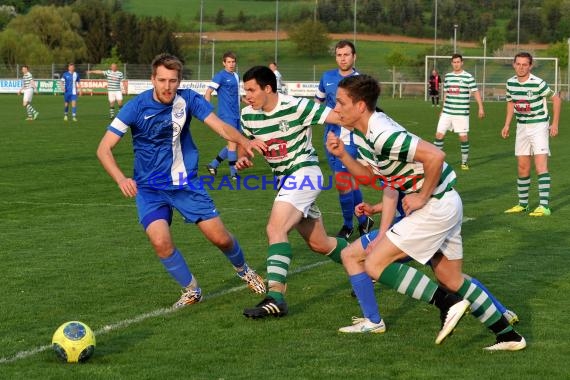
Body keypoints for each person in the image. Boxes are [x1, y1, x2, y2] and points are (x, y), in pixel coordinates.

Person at [326, 74, 526, 351]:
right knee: (451, 278)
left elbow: (436, 156)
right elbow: (373, 179)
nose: (336, 108)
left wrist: (421, 196)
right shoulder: (369, 135)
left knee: (373, 263)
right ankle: (508, 336)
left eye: (340, 102)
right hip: (446, 203)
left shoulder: (382, 134)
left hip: (435, 207)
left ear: (360, 106)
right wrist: (344, 156)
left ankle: (448, 303)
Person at [96, 53, 266, 309]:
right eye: (162, 80)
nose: (167, 86)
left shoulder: (188, 100)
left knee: (221, 239)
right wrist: (121, 178)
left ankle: (244, 270)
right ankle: (192, 290)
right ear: (152, 79)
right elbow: (104, 149)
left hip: (186, 184)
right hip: (150, 189)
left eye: (173, 80)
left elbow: (219, 127)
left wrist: (244, 141)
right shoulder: (135, 107)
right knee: (161, 242)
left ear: (179, 81)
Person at [237, 65, 350, 319]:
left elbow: (339, 117)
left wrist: (367, 130)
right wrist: (243, 157)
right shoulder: (248, 116)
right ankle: (366, 264)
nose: (247, 96)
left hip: (305, 173)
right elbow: (244, 145)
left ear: (268, 88)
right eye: (245, 91)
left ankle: (276, 296)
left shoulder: (296, 106)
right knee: (321, 244)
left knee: (275, 229)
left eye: (252, 90)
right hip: (284, 180)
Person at [353, 188, 520, 327]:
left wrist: (381, 235)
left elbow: (394, 192)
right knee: (452, 279)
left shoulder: (386, 155)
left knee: (351, 255)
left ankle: (373, 320)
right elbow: (399, 197)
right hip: (427, 221)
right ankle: (502, 312)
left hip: (416, 225)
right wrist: (375, 209)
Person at [315, 40, 373, 240]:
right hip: (329, 136)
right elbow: (318, 102)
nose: (343, 58)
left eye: (346, 54)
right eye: (339, 55)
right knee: (349, 183)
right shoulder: (327, 77)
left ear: (354, 56)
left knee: (342, 183)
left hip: (350, 139)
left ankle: (348, 225)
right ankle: (364, 221)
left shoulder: (362, 82)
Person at [502, 52, 561, 217]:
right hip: (521, 126)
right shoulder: (510, 83)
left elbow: (556, 99)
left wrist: (554, 124)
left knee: (540, 166)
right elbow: (511, 102)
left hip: (539, 125)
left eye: (524, 64)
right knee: (522, 167)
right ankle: (523, 204)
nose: (521, 67)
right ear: (514, 65)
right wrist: (507, 124)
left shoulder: (538, 83)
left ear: (530, 66)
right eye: (518, 64)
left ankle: (544, 206)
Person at [434, 54, 485, 170]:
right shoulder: (448, 77)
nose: (456, 64)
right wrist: (442, 109)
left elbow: (475, 92)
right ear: (452, 63)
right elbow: (446, 93)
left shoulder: (468, 77)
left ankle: (464, 162)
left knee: (463, 138)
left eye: (458, 62)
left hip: (461, 113)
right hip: (447, 112)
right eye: (454, 62)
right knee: (439, 135)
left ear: (462, 63)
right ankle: (436, 161)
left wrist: (480, 107)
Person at [205, 51, 241, 180]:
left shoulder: (236, 76)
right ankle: (234, 173)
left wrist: (247, 101)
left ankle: (213, 164)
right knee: (232, 142)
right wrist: (207, 110)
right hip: (226, 115)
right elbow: (208, 92)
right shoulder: (220, 76)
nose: (231, 64)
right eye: (229, 62)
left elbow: (235, 95)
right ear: (224, 63)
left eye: (233, 62)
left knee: (236, 142)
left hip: (237, 114)